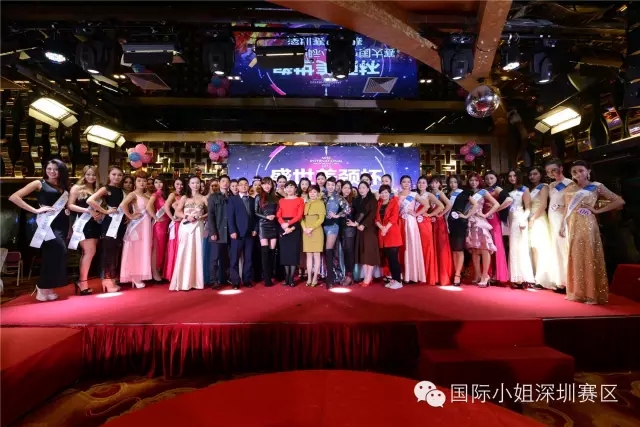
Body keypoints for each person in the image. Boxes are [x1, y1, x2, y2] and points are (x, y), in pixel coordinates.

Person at [560, 160, 625, 305]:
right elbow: (566, 208)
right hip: (572, 224)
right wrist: (562, 225)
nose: (578, 174)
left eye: (581, 170)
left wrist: (597, 210)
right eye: (574, 172)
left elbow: (619, 201)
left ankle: (591, 294)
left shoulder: (596, 186)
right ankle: (577, 292)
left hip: (587, 224)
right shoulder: (570, 188)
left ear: (588, 171)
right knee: (575, 255)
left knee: (588, 255)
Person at [9, 159, 70, 301]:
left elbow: (66, 205)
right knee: (57, 250)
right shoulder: (39, 183)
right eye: (49, 168)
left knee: (56, 254)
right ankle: (42, 287)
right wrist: (35, 210)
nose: (52, 172)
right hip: (46, 224)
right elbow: (14, 197)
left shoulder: (63, 186)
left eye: (56, 169)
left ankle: (48, 288)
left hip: (62, 223)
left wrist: (67, 211)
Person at [88, 166, 125, 293]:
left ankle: (112, 280)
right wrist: (105, 211)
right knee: (108, 251)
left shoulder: (121, 190)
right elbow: (90, 200)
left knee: (115, 251)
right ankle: (107, 281)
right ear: (109, 175)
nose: (117, 177)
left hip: (120, 223)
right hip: (110, 222)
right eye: (114, 174)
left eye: (119, 175)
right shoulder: (106, 188)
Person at [67, 165, 102, 295]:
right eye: (88, 174)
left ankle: (82, 281)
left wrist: (100, 214)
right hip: (83, 223)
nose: (91, 177)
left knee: (89, 253)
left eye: (93, 174)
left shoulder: (97, 189)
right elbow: (70, 205)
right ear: (83, 175)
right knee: (89, 252)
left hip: (95, 223)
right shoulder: (77, 188)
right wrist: (88, 211)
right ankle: (83, 283)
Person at [170, 176, 208, 291]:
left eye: (197, 183)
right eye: (193, 183)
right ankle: (183, 281)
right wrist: (187, 216)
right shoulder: (184, 197)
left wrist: (201, 216)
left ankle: (197, 281)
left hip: (198, 226)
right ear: (189, 185)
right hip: (186, 226)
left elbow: (210, 212)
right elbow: (177, 211)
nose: (195, 185)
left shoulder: (204, 198)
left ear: (200, 184)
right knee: (184, 250)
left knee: (198, 251)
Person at [397, 176, 435, 284]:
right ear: (400, 183)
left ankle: (412, 274)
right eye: (404, 182)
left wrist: (416, 214)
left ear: (411, 183)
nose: (406, 184)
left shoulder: (414, 194)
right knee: (401, 247)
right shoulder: (396, 195)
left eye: (408, 182)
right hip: (400, 222)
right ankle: (402, 274)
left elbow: (426, 205)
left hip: (410, 222)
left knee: (411, 246)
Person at [465, 173, 501, 287]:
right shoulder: (466, 192)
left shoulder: (483, 192)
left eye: (476, 180)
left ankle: (485, 275)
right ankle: (478, 274)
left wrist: (486, 215)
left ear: (479, 181)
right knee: (474, 249)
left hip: (480, 222)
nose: (473, 182)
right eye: (471, 180)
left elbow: (496, 204)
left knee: (484, 249)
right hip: (470, 222)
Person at [119, 170, 153, 288]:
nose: (142, 183)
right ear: (135, 182)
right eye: (139, 181)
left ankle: (140, 274)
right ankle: (134, 276)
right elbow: (122, 205)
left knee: (143, 249)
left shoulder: (147, 195)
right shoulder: (133, 194)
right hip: (137, 226)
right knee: (135, 250)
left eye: (144, 181)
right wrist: (130, 216)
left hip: (146, 225)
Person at [545, 158, 573, 292]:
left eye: (554, 170)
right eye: (548, 171)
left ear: (561, 168)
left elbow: (569, 204)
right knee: (555, 249)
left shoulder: (569, 183)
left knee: (564, 249)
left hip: (562, 219)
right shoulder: (551, 185)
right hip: (552, 218)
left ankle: (568, 282)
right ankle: (559, 280)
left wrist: (563, 222)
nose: (551, 173)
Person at [227, 177, 257, 289]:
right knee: (234, 259)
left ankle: (247, 280)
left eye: (246, 184)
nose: (244, 186)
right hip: (237, 234)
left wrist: (255, 229)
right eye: (241, 184)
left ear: (248, 186)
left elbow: (255, 217)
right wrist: (232, 231)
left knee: (248, 258)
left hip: (250, 234)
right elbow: (230, 217)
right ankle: (235, 281)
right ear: (238, 187)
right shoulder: (232, 200)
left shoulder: (253, 200)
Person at [506, 169, 535, 288]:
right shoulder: (509, 190)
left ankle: (523, 278)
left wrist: (523, 220)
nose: (512, 178)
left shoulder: (524, 189)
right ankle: (515, 277)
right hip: (510, 219)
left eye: (514, 176)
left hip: (520, 219)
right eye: (510, 176)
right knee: (513, 248)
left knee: (521, 248)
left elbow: (528, 207)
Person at [527, 167, 555, 289]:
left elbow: (543, 205)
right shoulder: (531, 189)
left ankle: (542, 278)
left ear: (541, 175)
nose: (532, 176)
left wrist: (533, 219)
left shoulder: (544, 186)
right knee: (533, 248)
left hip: (539, 219)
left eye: (535, 174)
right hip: (530, 218)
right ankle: (535, 276)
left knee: (540, 247)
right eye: (530, 174)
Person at [483, 171, 511, 284]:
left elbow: (509, 200)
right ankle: (488, 274)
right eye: (487, 179)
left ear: (496, 178)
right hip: (485, 218)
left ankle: (498, 275)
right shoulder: (485, 189)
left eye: (492, 178)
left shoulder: (498, 189)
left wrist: (496, 209)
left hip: (494, 219)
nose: (489, 181)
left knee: (496, 245)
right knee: (487, 246)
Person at [446, 175, 475, 286]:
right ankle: (457, 271)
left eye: (455, 182)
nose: (453, 184)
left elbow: (475, 204)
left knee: (459, 249)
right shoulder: (447, 194)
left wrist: (466, 216)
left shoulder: (464, 192)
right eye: (451, 182)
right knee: (454, 250)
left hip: (459, 223)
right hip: (449, 223)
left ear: (458, 182)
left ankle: (457, 275)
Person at [349, 181, 379, 286]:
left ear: (368, 189)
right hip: (359, 228)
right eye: (360, 188)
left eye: (363, 187)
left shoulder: (372, 200)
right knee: (363, 253)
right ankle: (367, 276)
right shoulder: (357, 200)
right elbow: (356, 213)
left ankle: (368, 277)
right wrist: (356, 223)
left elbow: (372, 214)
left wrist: (364, 225)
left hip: (369, 228)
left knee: (369, 253)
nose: (361, 190)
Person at [323, 177, 350, 288]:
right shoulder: (321, 196)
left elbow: (347, 209)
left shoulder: (338, 197)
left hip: (333, 226)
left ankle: (330, 279)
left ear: (335, 186)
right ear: (325, 186)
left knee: (329, 250)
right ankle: (332, 275)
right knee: (326, 251)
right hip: (321, 226)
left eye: (332, 185)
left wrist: (337, 215)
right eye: (328, 185)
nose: (330, 187)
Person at [277, 181, 305, 287]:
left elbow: (299, 215)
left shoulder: (300, 200)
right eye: (287, 187)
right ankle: (286, 278)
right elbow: (278, 215)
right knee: (285, 254)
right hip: (283, 227)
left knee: (293, 253)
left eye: (291, 187)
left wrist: (288, 224)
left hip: (294, 227)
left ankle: (292, 278)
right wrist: (283, 224)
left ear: (295, 189)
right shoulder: (281, 200)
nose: (289, 189)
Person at [427, 177, 454, 286]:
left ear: (439, 184)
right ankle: (435, 275)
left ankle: (443, 276)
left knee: (441, 247)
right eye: (432, 183)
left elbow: (449, 204)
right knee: (433, 247)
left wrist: (441, 214)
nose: (434, 185)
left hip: (439, 222)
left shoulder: (440, 193)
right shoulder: (429, 194)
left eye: (436, 182)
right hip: (431, 221)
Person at [375, 185, 403, 289]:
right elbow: (376, 219)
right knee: (389, 259)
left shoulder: (394, 202)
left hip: (392, 233)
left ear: (389, 193)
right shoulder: (379, 204)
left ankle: (398, 281)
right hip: (383, 234)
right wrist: (381, 227)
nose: (384, 195)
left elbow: (394, 217)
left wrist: (386, 228)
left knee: (394, 259)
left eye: (386, 192)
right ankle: (393, 280)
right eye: (382, 193)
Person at [255, 177, 279, 287]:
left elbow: (279, 211)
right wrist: (266, 217)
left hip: (274, 225)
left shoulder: (276, 197)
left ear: (272, 185)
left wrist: (275, 216)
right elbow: (255, 212)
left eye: (269, 184)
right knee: (264, 253)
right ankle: (266, 279)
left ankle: (271, 274)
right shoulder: (258, 196)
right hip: (263, 226)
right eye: (265, 184)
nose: (267, 186)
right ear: (262, 185)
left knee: (272, 252)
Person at [208, 175, 231, 289]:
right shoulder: (213, 197)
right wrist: (213, 232)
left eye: (227, 181)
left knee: (228, 257)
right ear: (219, 183)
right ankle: (214, 280)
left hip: (230, 232)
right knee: (215, 258)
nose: (225, 183)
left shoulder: (232, 197)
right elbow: (210, 215)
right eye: (223, 181)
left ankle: (226, 278)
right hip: (218, 231)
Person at [302, 185, 326, 287]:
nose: (312, 194)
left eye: (315, 192)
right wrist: (304, 228)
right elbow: (301, 218)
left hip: (316, 231)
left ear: (318, 193)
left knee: (316, 256)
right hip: (306, 232)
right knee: (308, 256)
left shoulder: (320, 203)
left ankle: (315, 278)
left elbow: (321, 219)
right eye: (310, 192)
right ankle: (309, 278)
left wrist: (311, 228)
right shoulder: (306, 203)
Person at [146, 177, 169, 283]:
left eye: (160, 182)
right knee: (156, 248)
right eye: (156, 182)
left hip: (166, 224)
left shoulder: (166, 194)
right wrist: (155, 217)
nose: (158, 184)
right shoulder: (155, 195)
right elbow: (148, 207)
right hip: (159, 225)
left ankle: (159, 271)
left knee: (163, 248)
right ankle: (155, 273)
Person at [162, 178, 185, 281]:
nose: (179, 186)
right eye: (177, 184)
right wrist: (172, 218)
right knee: (175, 246)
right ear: (174, 185)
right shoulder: (172, 195)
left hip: (184, 222)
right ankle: (173, 274)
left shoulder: (185, 195)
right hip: (176, 223)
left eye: (181, 184)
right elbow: (166, 207)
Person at [339, 181, 357, 286]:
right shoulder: (338, 199)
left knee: (349, 252)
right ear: (341, 189)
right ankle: (347, 275)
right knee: (345, 253)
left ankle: (350, 276)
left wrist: (355, 223)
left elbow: (361, 213)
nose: (347, 190)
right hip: (340, 229)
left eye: (348, 188)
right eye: (344, 188)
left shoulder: (354, 200)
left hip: (349, 229)